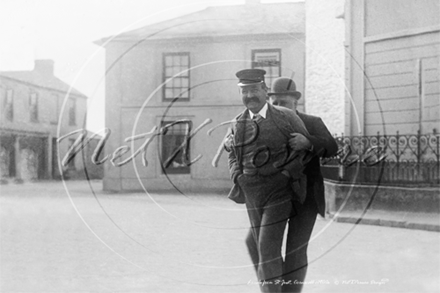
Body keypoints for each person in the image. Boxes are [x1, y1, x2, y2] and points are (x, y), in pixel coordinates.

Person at [244, 77, 338, 293]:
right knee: (255, 242)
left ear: (296, 102)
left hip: (305, 199)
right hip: (275, 196)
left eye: (284, 103)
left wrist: (309, 142)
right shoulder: (263, 122)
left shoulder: (311, 121)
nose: (279, 107)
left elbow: (333, 147)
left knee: (295, 250)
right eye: (275, 102)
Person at [227, 69, 312, 293]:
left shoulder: (286, 117)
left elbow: (304, 151)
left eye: (254, 90)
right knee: (261, 247)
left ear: (265, 91)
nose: (249, 96)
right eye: (244, 92)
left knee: (266, 248)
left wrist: (286, 174)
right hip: (252, 192)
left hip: (279, 191)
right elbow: (231, 154)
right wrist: (238, 176)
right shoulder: (237, 123)